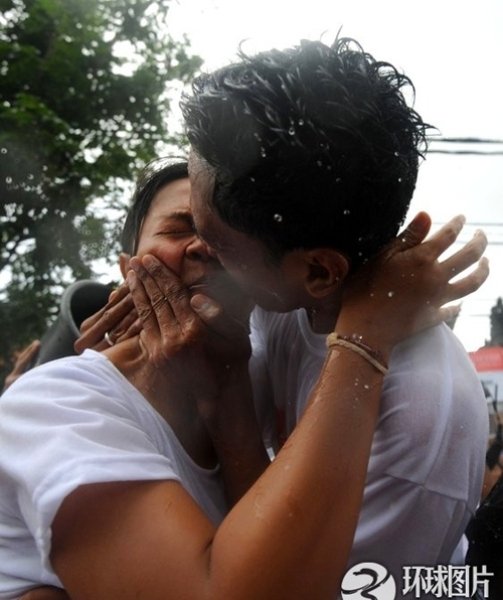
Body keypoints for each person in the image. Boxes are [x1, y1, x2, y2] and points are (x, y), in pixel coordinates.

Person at [0, 152, 489, 598]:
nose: (205, 248)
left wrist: (387, 295)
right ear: (129, 266)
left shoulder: (255, 361)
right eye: (178, 228)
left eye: (224, 234)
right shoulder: (57, 408)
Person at [179, 35, 490, 583]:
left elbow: (286, 586)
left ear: (320, 272)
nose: (197, 252)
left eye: (216, 242)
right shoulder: (281, 298)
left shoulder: (417, 423)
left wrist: (227, 392)